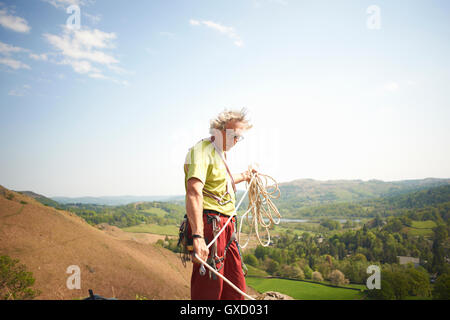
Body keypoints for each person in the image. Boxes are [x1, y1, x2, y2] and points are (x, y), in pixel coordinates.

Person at [183, 108, 254, 300]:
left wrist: (246, 176)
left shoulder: (220, 154)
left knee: (235, 287)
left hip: (226, 227)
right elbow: (194, 191)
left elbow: (222, 182)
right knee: (210, 291)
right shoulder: (201, 151)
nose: (237, 140)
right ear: (218, 130)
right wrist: (198, 236)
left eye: (240, 136)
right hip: (211, 226)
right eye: (234, 134)